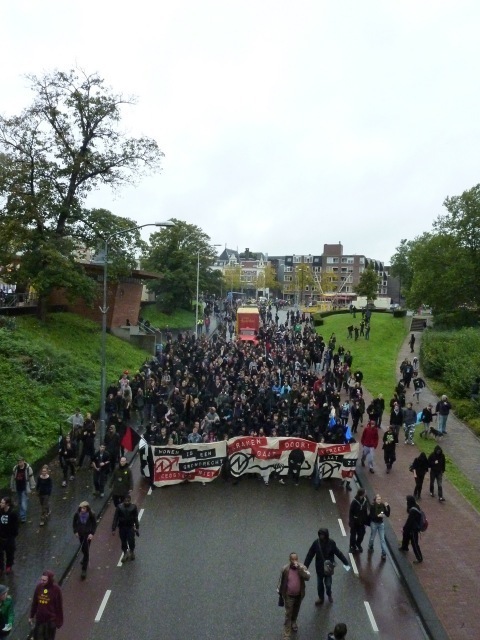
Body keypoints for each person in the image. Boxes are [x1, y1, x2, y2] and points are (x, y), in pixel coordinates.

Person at [304, 528, 350, 605]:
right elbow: (310, 554)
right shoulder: (316, 543)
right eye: (320, 534)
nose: (321, 536)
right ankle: (321, 598)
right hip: (319, 568)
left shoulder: (331, 543)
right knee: (320, 585)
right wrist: (305, 566)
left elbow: (338, 553)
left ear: (326, 535)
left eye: (323, 534)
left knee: (328, 585)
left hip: (329, 568)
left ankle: (329, 594)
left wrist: (345, 562)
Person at [277, 552, 310, 639]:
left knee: (296, 610)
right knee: (288, 613)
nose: (295, 561)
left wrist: (300, 569)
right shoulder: (285, 569)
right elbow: (281, 581)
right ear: (290, 560)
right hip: (289, 596)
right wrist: (280, 592)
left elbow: (308, 577)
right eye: (293, 559)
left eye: (296, 559)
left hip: (299, 595)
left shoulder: (302, 567)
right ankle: (287, 633)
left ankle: (294, 621)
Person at [29, 570, 63, 639]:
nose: (42, 582)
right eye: (41, 579)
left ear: (49, 580)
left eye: (44, 580)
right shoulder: (39, 587)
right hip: (39, 619)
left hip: (50, 621)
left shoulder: (56, 590)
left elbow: (59, 606)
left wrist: (58, 621)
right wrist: (31, 615)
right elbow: (35, 602)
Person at [72, 501, 97, 579]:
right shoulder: (77, 515)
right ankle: (85, 557)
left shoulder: (91, 515)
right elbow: (74, 524)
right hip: (81, 535)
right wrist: (75, 531)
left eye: (84, 508)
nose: (82, 510)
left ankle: (84, 570)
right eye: (81, 508)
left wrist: (92, 533)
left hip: (88, 535)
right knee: (83, 548)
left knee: (86, 551)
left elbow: (94, 524)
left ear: (87, 509)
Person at [112, 495, 139, 562]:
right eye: (125, 501)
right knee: (123, 541)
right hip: (122, 527)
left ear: (130, 500)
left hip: (130, 527)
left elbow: (135, 517)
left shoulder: (133, 507)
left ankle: (131, 551)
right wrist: (113, 528)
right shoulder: (119, 507)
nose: (127, 502)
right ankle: (125, 553)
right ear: (123, 501)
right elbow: (115, 518)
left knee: (131, 540)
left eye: (128, 501)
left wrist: (137, 527)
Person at [10, 456, 35, 523]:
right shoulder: (15, 468)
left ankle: (23, 516)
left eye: (21, 462)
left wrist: (32, 486)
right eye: (18, 462)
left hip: (24, 487)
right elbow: (13, 478)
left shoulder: (28, 469)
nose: (19, 463)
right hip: (17, 487)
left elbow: (31, 477)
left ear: (23, 461)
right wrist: (12, 486)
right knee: (20, 502)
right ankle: (22, 514)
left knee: (23, 502)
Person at [399, 495, 423, 563]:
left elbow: (409, 521)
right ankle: (404, 547)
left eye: (407, 501)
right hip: (414, 526)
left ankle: (419, 558)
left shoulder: (412, 511)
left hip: (413, 529)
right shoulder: (416, 506)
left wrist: (404, 528)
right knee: (406, 535)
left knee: (414, 543)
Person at [368, 494, 390, 559]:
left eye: (380, 499)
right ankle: (371, 545)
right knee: (372, 537)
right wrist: (378, 515)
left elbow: (387, 514)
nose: (379, 500)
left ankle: (383, 553)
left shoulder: (382, 505)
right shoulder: (372, 506)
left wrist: (388, 507)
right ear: (375, 500)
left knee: (382, 539)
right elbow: (371, 516)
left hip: (381, 523)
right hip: (374, 523)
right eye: (378, 499)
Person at [0, 498, 19, 575]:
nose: (0, 504)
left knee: (9, 553)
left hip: (9, 537)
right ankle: (1, 567)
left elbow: (15, 526)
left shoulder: (12, 514)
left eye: (2, 503)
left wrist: (12, 535)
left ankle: (8, 566)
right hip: (0, 537)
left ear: (7, 504)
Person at [348, 488, 370, 553]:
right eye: (365, 492)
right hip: (355, 522)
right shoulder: (354, 501)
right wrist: (351, 521)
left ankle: (358, 544)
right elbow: (351, 512)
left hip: (361, 522)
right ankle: (352, 546)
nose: (366, 493)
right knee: (353, 535)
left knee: (361, 534)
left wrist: (366, 522)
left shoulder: (365, 501)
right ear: (362, 494)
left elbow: (365, 511)